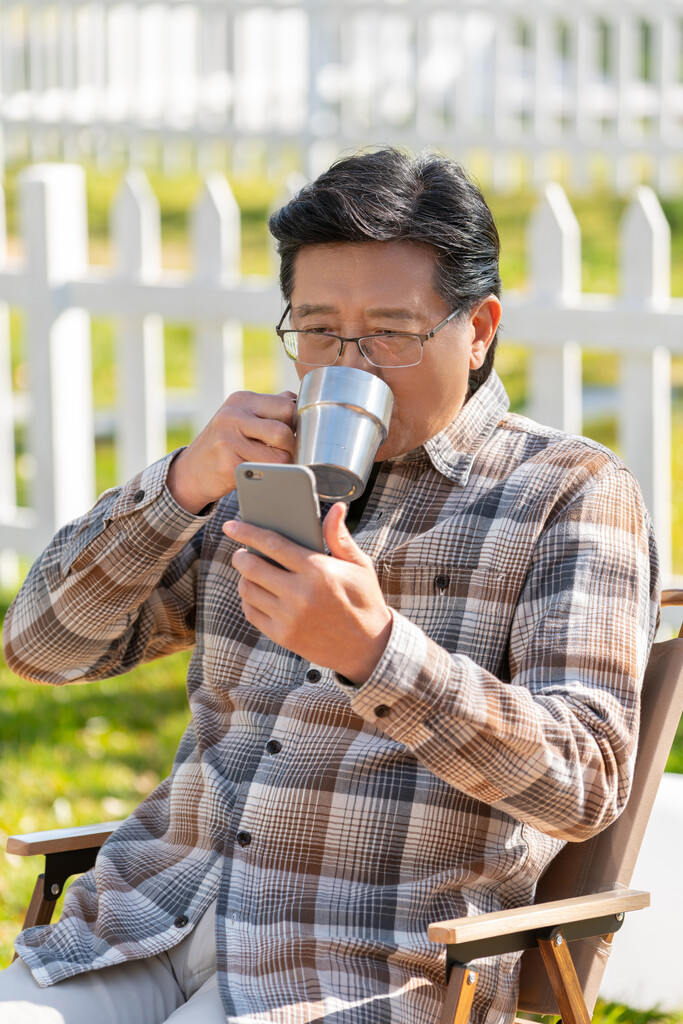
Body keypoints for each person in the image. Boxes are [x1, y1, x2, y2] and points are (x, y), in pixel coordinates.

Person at [1, 148, 660, 1024]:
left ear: (480, 327)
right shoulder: (258, 471)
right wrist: (177, 490)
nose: (351, 360)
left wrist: (378, 656)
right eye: (318, 331)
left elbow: (582, 782)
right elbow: (41, 652)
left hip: (349, 962)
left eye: (391, 332)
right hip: (146, 920)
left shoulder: (566, 493)